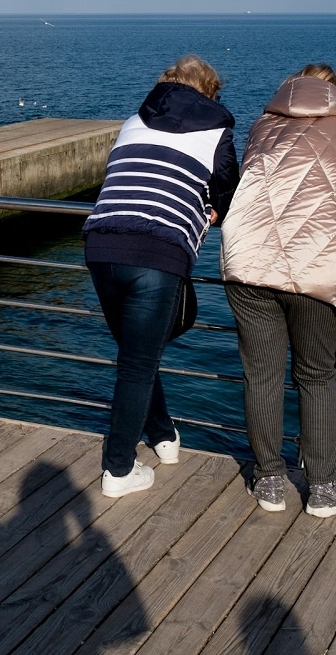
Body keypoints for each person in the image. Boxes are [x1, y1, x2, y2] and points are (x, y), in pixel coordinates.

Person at [220, 64, 336, 519]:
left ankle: (268, 481)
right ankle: (322, 488)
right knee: (316, 377)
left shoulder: (264, 126)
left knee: (261, 375)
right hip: (318, 271)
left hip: (248, 265)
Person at [82, 54, 238, 498]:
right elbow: (227, 192)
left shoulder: (133, 121)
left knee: (136, 354)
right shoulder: (216, 130)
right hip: (157, 249)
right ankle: (118, 469)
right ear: (209, 91)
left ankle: (164, 436)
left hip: (102, 242)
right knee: (137, 364)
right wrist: (211, 209)